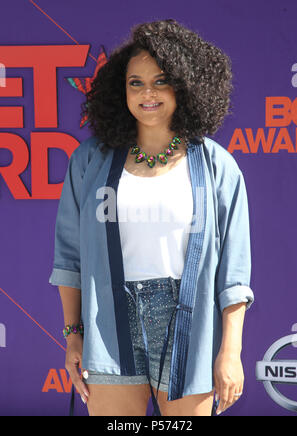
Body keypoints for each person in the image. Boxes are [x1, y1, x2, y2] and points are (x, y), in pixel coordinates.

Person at [49, 19, 254, 416]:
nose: (148, 93)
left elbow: (234, 273)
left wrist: (230, 352)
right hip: (108, 321)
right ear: (119, 91)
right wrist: (74, 335)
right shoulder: (89, 161)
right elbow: (69, 258)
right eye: (135, 83)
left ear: (185, 86)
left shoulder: (217, 166)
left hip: (188, 325)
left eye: (160, 81)